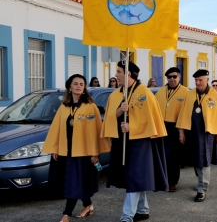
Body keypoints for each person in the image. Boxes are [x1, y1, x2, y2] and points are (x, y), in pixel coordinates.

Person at [101, 61, 168, 222]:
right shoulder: (116, 94)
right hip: (121, 140)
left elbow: (151, 120)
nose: (116, 75)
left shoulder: (145, 93)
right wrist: (119, 111)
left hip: (141, 142)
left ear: (128, 74)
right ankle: (143, 209)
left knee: (135, 175)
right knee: (135, 176)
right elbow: (109, 117)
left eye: (119, 72)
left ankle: (127, 216)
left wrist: (133, 126)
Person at [42, 74, 111, 222]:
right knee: (77, 182)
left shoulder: (91, 107)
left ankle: (66, 214)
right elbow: (56, 129)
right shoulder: (64, 107)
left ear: (84, 88)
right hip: (66, 152)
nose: (79, 86)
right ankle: (88, 205)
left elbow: (96, 131)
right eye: (76, 83)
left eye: (82, 84)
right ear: (69, 87)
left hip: (84, 152)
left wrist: (95, 152)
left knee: (75, 181)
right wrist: (55, 148)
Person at [176, 69, 217, 202]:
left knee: (205, 160)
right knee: (195, 159)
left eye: (200, 80)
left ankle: (202, 189)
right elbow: (183, 113)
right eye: (196, 80)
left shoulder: (215, 96)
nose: (198, 82)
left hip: (207, 134)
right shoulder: (190, 94)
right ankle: (201, 179)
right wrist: (181, 132)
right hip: (192, 133)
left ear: (207, 80)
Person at [155, 67, 190, 192]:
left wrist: (182, 131)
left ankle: (172, 182)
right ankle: (161, 180)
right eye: (169, 77)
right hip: (161, 126)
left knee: (173, 157)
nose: (172, 79)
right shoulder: (160, 91)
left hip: (176, 127)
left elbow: (187, 113)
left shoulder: (186, 92)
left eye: (174, 76)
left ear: (179, 77)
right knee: (160, 155)